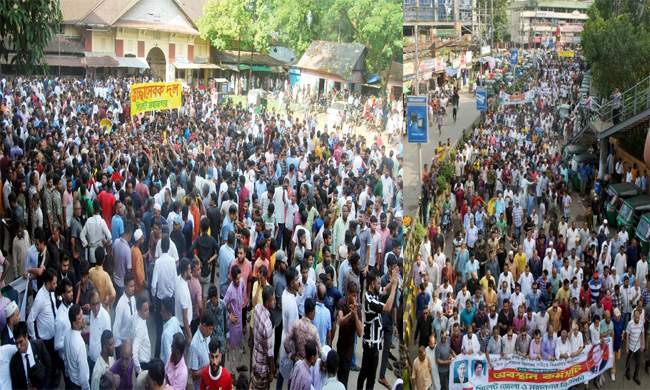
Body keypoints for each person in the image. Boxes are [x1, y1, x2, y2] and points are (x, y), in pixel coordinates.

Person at [357, 266, 398, 390]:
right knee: (370, 378)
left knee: (364, 372)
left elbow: (385, 290)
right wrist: (395, 286)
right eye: (378, 283)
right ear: (373, 284)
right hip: (371, 347)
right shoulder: (370, 300)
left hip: (371, 345)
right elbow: (387, 308)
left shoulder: (373, 292)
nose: (380, 286)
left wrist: (392, 281)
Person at [10, 321, 51, 390]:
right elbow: (16, 385)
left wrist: (42, 386)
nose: (18, 346)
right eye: (16, 343)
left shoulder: (39, 346)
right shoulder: (15, 362)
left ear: (26, 336)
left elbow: (48, 367)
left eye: (20, 342)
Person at [64, 304, 91, 390]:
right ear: (74, 324)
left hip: (70, 381)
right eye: (79, 318)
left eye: (82, 314)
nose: (83, 318)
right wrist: (86, 388)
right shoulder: (80, 344)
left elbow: (66, 361)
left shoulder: (67, 334)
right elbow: (83, 375)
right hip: (78, 385)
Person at [190, 313, 214, 390]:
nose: (211, 332)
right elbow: (194, 375)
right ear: (204, 326)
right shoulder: (194, 345)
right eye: (210, 329)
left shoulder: (207, 336)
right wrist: (210, 365)